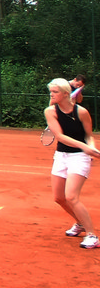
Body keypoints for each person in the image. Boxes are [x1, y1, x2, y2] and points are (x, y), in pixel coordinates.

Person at [45, 78, 100, 249]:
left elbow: (89, 135)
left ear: (65, 94)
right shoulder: (50, 111)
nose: (51, 95)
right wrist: (84, 146)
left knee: (71, 196)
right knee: (59, 198)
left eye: (55, 92)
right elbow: (60, 137)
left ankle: (92, 236)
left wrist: (91, 148)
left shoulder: (81, 112)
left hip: (79, 157)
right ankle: (80, 223)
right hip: (61, 155)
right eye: (51, 92)